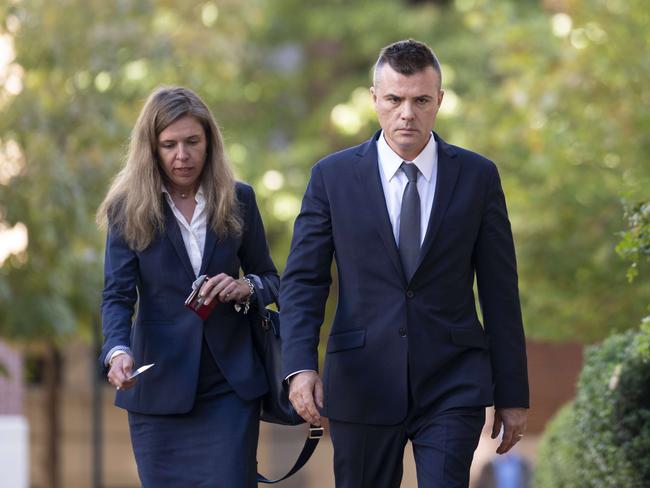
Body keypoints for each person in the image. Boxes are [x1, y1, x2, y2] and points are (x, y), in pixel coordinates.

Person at [280, 39, 529, 487]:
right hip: (361, 381)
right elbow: (303, 281)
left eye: (420, 100)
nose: (407, 113)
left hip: (453, 381)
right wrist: (299, 366)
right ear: (374, 98)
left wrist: (512, 394)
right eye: (394, 99)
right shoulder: (331, 177)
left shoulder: (477, 177)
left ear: (440, 101)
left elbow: (499, 291)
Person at [97, 86, 278, 487]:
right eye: (170, 144)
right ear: (152, 148)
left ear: (209, 142)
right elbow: (117, 295)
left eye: (193, 142)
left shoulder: (239, 200)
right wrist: (116, 352)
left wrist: (245, 287)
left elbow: (271, 279)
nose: (183, 155)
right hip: (158, 391)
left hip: (229, 388)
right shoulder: (128, 209)